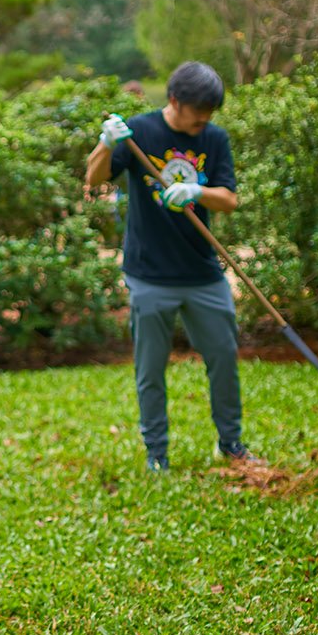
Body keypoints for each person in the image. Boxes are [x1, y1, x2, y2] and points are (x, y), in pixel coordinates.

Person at [83, 61, 252, 472]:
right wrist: (107, 143)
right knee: (151, 371)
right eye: (197, 117)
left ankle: (230, 445)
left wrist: (197, 190)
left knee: (224, 360)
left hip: (202, 273)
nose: (202, 125)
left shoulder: (214, 138)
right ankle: (156, 454)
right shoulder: (140, 132)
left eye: (208, 117)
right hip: (149, 275)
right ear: (175, 101)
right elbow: (94, 179)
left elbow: (229, 199)